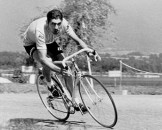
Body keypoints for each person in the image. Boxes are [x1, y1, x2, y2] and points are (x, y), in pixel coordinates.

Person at [22, 9, 101, 112]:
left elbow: (77, 40)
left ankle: (75, 101)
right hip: (32, 43)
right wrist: (59, 71)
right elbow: (43, 59)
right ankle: (50, 85)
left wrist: (88, 52)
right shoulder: (40, 30)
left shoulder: (64, 24)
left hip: (49, 41)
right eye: (53, 24)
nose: (56, 27)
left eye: (58, 24)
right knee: (47, 60)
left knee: (66, 69)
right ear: (47, 22)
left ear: (62, 22)